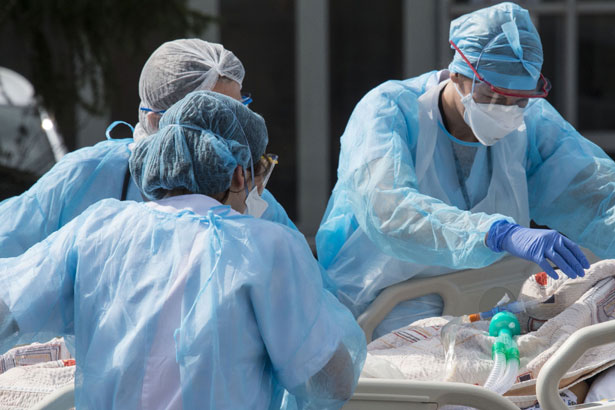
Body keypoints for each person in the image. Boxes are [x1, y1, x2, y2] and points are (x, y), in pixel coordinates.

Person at [316, 2, 615, 339]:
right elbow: (389, 211)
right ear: (457, 74)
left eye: (518, 100)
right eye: (492, 96)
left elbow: (591, 185)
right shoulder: (388, 111)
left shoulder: (529, 124)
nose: (506, 110)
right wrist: (495, 234)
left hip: (490, 301)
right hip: (385, 305)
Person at [0, 91, 365, 409]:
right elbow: (330, 382)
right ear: (239, 175)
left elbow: (9, 306)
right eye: (259, 174)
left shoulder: (97, 227)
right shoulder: (267, 247)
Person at [0, 38, 295, 258]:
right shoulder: (88, 179)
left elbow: (303, 286)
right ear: (156, 120)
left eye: (238, 113)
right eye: (214, 120)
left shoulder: (253, 199)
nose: (234, 135)